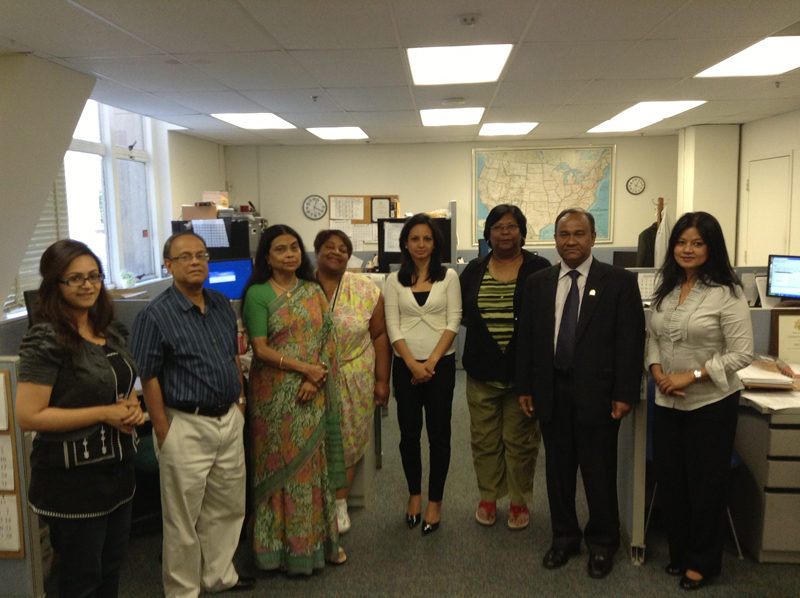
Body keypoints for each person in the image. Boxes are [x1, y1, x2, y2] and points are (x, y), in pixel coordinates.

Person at [516, 208, 645, 579]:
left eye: (578, 233)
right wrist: (525, 386)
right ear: (554, 238)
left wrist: (625, 392)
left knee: (598, 471)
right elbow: (527, 339)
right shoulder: (538, 282)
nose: (570, 241)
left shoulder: (618, 281)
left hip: (600, 393)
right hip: (551, 388)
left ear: (593, 237)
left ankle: (602, 544)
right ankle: (564, 538)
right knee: (558, 473)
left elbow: (630, 341)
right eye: (563, 234)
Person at [15, 239, 145, 598]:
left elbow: (120, 384)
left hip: (118, 473)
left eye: (94, 276)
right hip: (73, 482)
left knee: (111, 570)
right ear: (54, 284)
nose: (87, 285)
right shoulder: (46, 338)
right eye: (75, 278)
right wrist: (105, 413)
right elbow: (28, 415)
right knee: (82, 580)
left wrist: (131, 404)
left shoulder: (110, 330)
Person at [131, 231, 254, 597]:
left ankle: (218, 576)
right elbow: (148, 376)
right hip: (184, 423)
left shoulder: (219, 303)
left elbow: (232, 356)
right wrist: (162, 430)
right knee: (183, 517)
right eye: (185, 257)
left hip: (228, 418)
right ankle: (183, 589)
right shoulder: (155, 315)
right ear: (168, 265)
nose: (196, 262)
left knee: (228, 505)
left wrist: (240, 403)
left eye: (201, 255)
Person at [647, 212, 753, 591]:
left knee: (705, 486)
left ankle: (702, 563)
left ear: (712, 248)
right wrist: (658, 372)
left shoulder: (728, 293)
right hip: (667, 401)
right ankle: (679, 554)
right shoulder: (667, 288)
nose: (687, 249)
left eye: (697, 243)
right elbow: (654, 337)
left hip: (711, 404)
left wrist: (690, 376)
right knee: (673, 482)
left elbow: (742, 353)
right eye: (681, 242)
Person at [242, 224, 347, 573]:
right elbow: (260, 349)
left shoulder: (312, 290)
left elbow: (328, 339)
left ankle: (317, 545)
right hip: (273, 397)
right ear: (267, 258)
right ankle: (278, 550)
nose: (290, 255)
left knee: (313, 469)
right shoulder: (257, 294)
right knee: (278, 468)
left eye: (294, 247)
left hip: (311, 391)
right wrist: (306, 369)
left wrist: (315, 377)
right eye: (280, 249)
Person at [459, 205, 550, 529]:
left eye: (512, 226)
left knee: (521, 441)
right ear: (488, 234)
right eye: (498, 227)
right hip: (481, 370)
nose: (505, 233)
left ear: (522, 232)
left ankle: (518, 500)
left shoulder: (539, 268)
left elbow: (545, 318)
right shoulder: (474, 269)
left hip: (523, 375)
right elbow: (463, 313)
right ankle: (488, 496)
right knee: (484, 440)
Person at [384, 213, 462, 536]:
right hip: (405, 366)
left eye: (427, 239)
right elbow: (392, 325)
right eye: (414, 238)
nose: (420, 244)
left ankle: (435, 501)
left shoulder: (449, 277)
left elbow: (453, 320)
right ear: (405, 243)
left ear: (435, 243)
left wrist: (429, 363)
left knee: (439, 436)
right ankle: (414, 495)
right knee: (409, 435)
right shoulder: (393, 280)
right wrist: (412, 364)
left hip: (440, 366)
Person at [314, 229, 392, 534]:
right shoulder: (300, 287)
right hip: (309, 377)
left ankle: (339, 504)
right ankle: (312, 503)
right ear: (317, 251)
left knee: (347, 442)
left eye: (343, 248)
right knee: (312, 442)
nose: (336, 252)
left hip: (353, 375)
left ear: (349, 256)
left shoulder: (365, 289)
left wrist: (382, 380)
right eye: (329, 247)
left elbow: (379, 335)